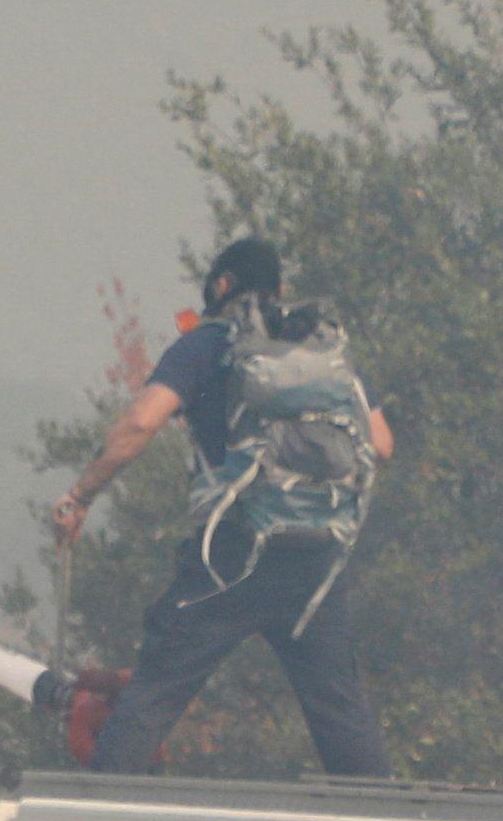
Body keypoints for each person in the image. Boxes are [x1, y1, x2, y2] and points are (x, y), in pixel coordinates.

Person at [47, 237, 394, 778]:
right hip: (315, 559)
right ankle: (382, 819)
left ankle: (104, 808)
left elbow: (141, 423)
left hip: (233, 555)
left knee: (158, 684)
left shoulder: (207, 346)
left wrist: (81, 495)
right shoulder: (320, 352)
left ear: (222, 285)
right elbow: (382, 443)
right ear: (279, 289)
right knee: (340, 707)